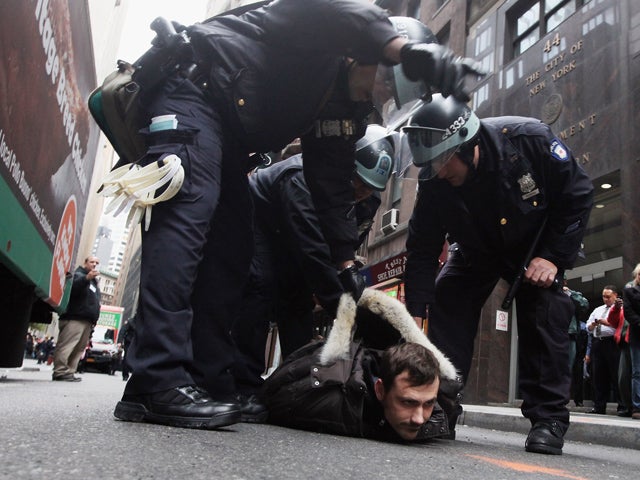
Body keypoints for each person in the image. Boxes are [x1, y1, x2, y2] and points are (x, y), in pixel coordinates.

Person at [109, 1, 483, 431]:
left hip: (228, 136)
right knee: (188, 216)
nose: (377, 97)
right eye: (382, 82)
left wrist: (344, 262)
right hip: (192, 93)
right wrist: (401, 48)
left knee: (233, 249)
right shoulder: (319, 36)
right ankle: (154, 380)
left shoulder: (338, 108)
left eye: (387, 97)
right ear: (367, 53)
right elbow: (327, 9)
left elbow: (330, 184)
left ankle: (209, 381)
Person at [402, 94, 594, 455]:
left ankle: (548, 419)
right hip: (475, 250)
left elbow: (578, 195)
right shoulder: (434, 180)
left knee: (546, 311)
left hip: (533, 248)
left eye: (444, 163)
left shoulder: (529, 140)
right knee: (448, 298)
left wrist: (551, 257)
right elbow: (422, 250)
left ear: (469, 145)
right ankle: (440, 407)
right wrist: (415, 310)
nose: (439, 172)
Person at [231, 125, 395, 418]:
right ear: (346, 167)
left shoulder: (368, 199)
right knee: (260, 288)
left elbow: (342, 248)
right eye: (357, 183)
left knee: (298, 307)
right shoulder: (301, 179)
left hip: (300, 242)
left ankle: (296, 387)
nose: (361, 193)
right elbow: (315, 250)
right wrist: (343, 309)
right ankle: (242, 386)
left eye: (369, 188)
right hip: (261, 227)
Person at [263, 288, 461, 442]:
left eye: (428, 404)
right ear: (380, 389)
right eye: (407, 402)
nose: (419, 418)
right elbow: (273, 400)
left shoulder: (443, 405)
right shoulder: (325, 396)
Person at [52, 256, 101, 382]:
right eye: (92, 262)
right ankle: (60, 371)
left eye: (96, 262)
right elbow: (72, 288)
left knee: (79, 348)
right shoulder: (79, 275)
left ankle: (69, 371)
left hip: (87, 320)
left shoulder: (93, 282)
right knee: (67, 345)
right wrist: (86, 278)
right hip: (74, 318)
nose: (94, 264)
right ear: (85, 263)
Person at [586, 286, 623, 415]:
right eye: (603, 296)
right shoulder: (598, 309)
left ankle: (622, 406)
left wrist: (605, 322)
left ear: (615, 295)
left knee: (616, 374)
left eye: (608, 296)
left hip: (612, 342)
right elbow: (588, 326)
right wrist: (593, 325)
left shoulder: (620, 309)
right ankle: (599, 406)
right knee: (598, 376)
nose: (605, 299)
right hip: (598, 342)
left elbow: (620, 325)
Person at [563, 280, 589, 407]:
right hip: (551, 332)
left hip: (569, 333)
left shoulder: (572, 294)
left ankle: (562, 398)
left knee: (567, 367)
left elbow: (584, 305)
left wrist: (570, 295)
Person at [606, 294, 632, 416]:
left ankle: (636, 407)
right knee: (623, 378)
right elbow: (612, 321)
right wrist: (616, 308)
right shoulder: (623, 308)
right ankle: (630, 407)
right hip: (625, 344)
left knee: (636, 376)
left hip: (636, 343)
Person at [622, 263, 640, 419]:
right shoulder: (629, 291)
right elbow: (628, 312)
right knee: (637, 372)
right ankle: (637, 407)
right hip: (637, 335)